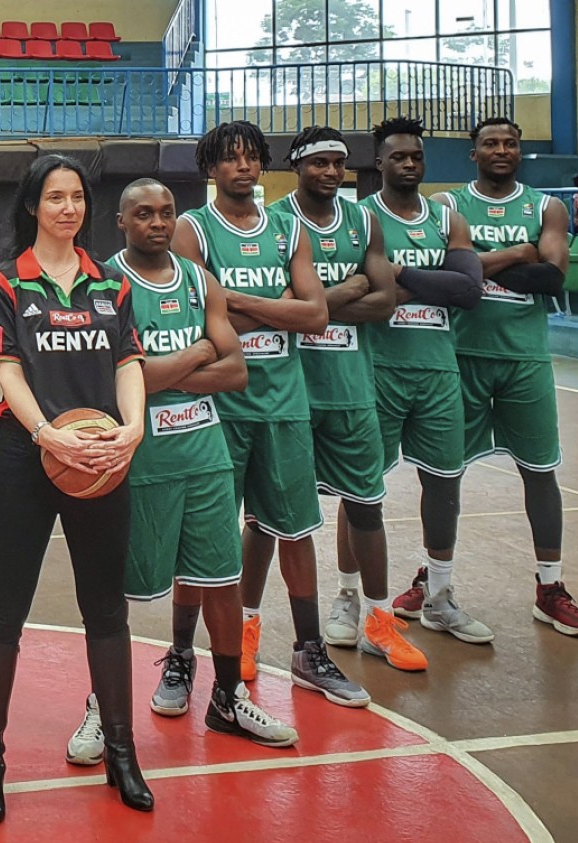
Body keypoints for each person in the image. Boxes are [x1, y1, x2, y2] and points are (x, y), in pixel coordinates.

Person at [66, 179, 297, 765]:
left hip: (205, 453)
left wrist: (160, 368)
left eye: (167, 212)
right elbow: (118, 378)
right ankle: (103, 704)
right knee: (117, 589)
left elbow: (236, 371)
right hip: (136, 457)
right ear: (120, 221)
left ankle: (226, 697)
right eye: (143, 213)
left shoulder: (200, 280)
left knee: (222, 578)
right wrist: (196, 353)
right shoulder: (104, 283)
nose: (158, 222)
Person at [0, 153, 153, 826]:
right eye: (54, 197)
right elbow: (4, 366)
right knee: (3, 613)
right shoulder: (3, 281)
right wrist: (47, 433)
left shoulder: (110, 282)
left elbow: (128, 360)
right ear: (32, 206)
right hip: (28, 457)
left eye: (76, 196)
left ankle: (122, 753)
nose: (67, 208)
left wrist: (133, 427)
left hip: (102, 458)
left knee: (106, 610)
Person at [173, 121, 368, 707]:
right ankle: (181, 656)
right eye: (230, 159)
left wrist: (234, 304)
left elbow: (313, 317)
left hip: (283, 401)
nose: (243, 168)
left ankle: (309, 650)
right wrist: (278, 307)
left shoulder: (287, 230)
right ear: (211, 168)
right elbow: (195, 318)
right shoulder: (192, 229)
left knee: (295, 528)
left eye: (252, 158)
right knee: (202, 536)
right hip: (218, 406)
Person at [268, 127, 425, 672]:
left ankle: (379, 620)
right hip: (290, 390)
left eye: (339, 163)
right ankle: (254, 625)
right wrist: (345, 290)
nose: (332, 172)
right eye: (320, 163)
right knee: (273, 517)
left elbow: (384, 302)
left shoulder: (364, 220)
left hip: (354, 388)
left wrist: (316, 306)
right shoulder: (278, 223)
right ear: (297, 167)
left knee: (365, 505)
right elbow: (277, 306)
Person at [432, 119, 578, 636]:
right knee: (443, 474)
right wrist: (519, 253)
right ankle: (434, 583)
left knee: (540, 471)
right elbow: (448, 275)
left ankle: (550, 588)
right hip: (462, 356)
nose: (502, 150)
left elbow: (549, 277)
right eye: (491, 144)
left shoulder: (547, 206)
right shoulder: (448, 206)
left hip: (525, 359)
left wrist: (478, 266)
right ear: (473, 154)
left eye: (510, 143)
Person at [359, 117, 491, 644]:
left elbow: (468, 289)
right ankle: (352, 600)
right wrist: (429, 284)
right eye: (398, 156)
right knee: (363, 490)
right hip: (378, 367)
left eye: (416, 155)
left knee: (443, 483)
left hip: (438, 369)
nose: (409, 163)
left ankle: (438, 596)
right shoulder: (361, 218)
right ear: (380, 163)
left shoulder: (445, 217)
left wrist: (401, 277)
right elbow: (363, 294)